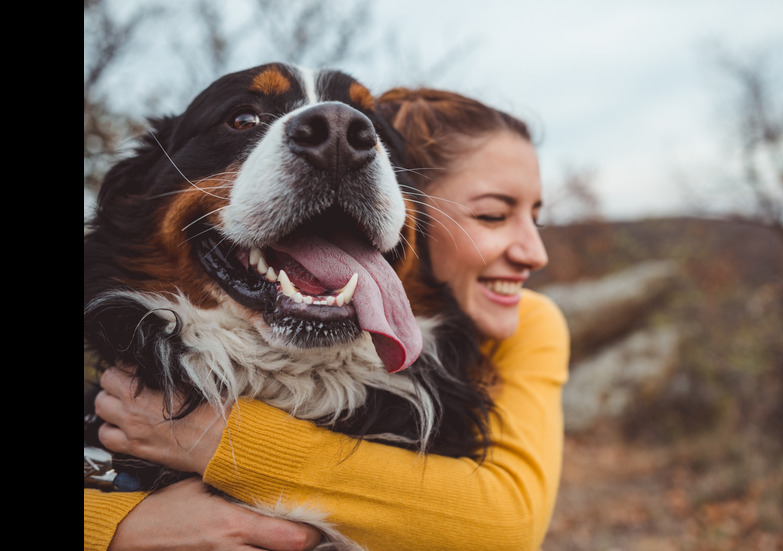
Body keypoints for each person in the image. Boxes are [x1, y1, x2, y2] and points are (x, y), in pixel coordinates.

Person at [85, 88, 570, 551]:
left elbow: (508, 524)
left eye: (537, 217)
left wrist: (221, 441)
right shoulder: (118, 400)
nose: (536, 253)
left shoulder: (529, 323)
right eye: (492, 216)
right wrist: (114, 526)